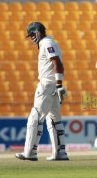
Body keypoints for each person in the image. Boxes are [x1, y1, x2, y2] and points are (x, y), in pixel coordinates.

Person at [15, 22, 68, 161]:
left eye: (32, 34)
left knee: (35, 117)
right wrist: (58, 85)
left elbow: (57, 63)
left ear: (38, 32)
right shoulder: (49, 42)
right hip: (53, 85)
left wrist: (59, 84)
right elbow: (58, 64)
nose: (31, 38)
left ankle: (30, 153)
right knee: (54, 119)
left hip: (46, 86)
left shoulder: (46, 43)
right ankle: (60, 153)